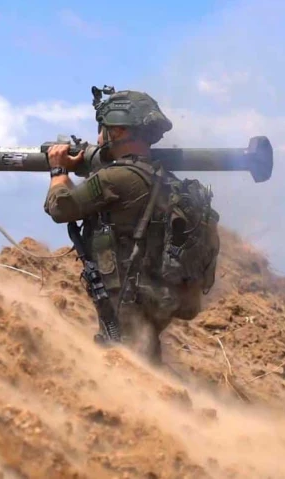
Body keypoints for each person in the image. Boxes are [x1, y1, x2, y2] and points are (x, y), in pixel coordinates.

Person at [43, 90, 210, 364]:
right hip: (153, 295)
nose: (98, 138)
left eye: (103, 129)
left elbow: (61, 207)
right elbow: (85, 205)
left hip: (126, 296)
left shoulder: (117, 178)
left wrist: (58, 170)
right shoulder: (161, 179)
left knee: (123, 364)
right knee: (144, 358)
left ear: (118, 131)